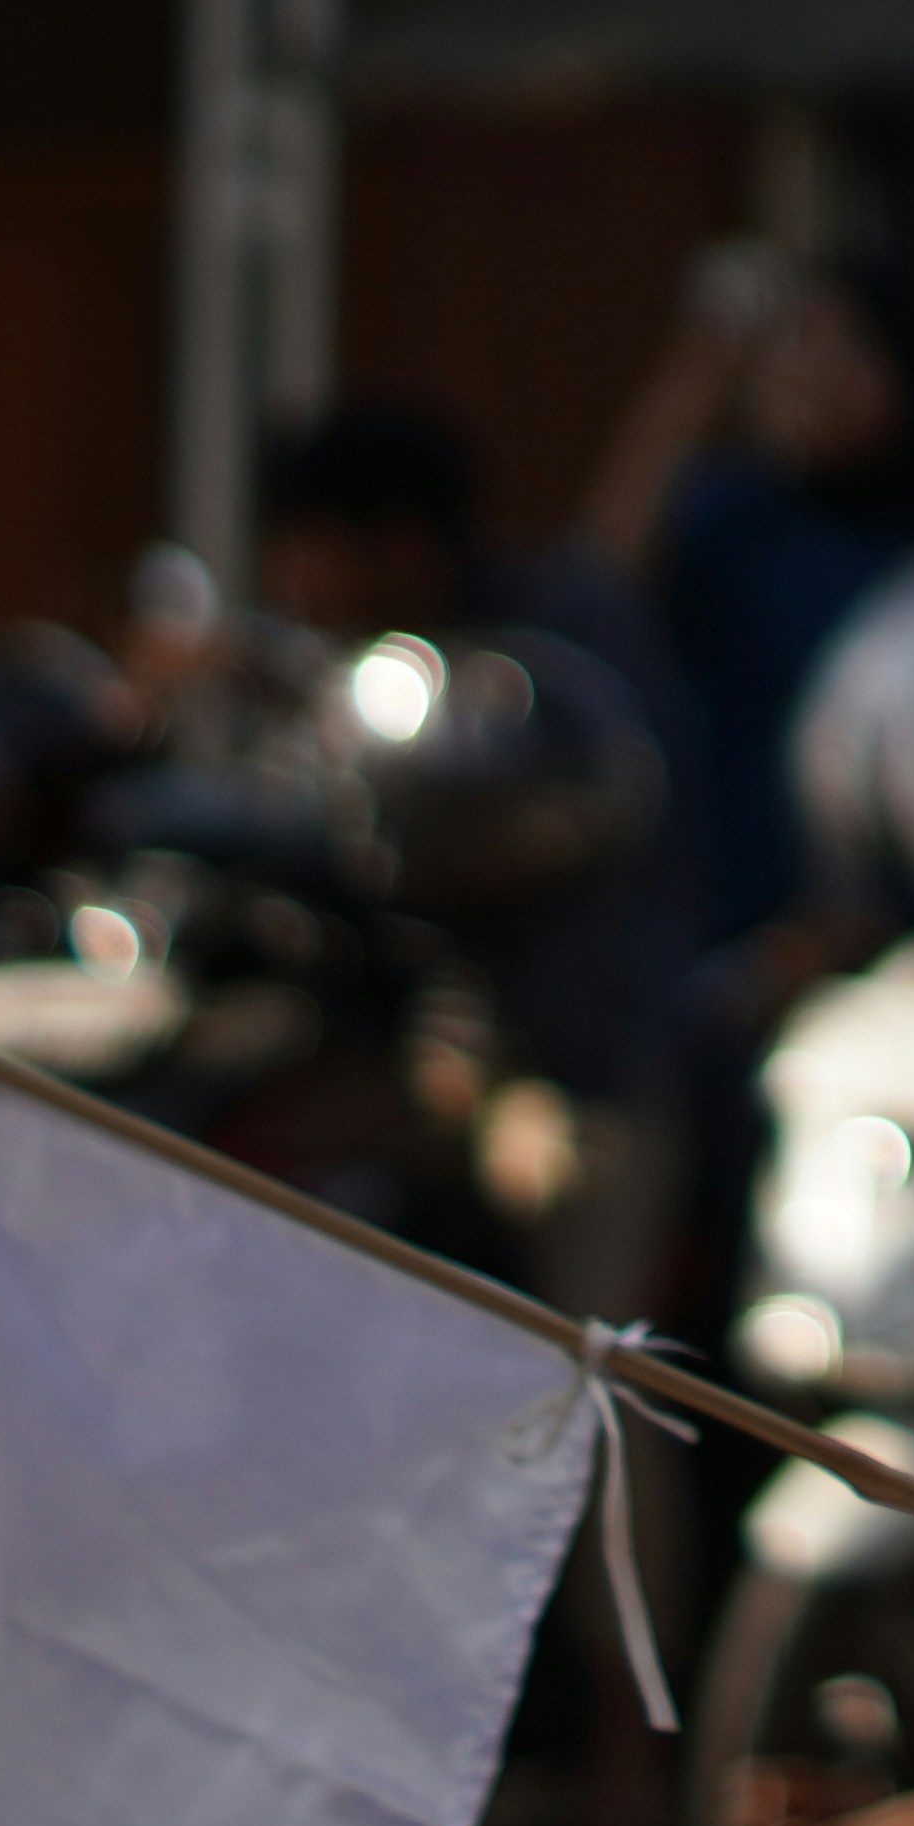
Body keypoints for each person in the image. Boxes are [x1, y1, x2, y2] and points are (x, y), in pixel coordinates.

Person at [254, 397, 703, 1304]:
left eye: (311, 552)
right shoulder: (352, 667)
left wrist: (509, 1088)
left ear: (401, 547)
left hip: (590, 1073)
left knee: (577, 1367)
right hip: (436, 1072)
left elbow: (615, 927)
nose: (290, 586)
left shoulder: (543, 677)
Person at [579, 243, 914, 954]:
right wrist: (702, 365)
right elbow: (599, 584)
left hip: (899, 949)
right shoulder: (733, 516)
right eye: (794, 346)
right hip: (713, 930)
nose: (804, 376)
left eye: (844, 353)